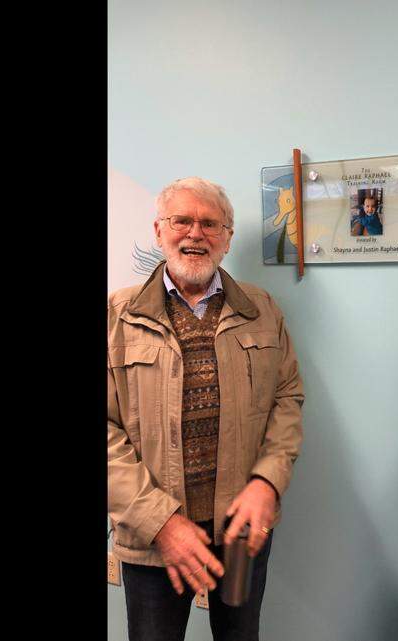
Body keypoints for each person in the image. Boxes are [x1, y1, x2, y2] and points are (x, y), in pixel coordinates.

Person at [108, 177, 304, 641]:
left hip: (240, 531)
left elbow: (287, 398)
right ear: (159, 230)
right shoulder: (117, 316)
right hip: (153, 538)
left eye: (211, 223)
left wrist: (267, 482)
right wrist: (162, 523)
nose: (196, 233)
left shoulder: (261, 309)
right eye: (182, 221)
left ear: (227, 237)